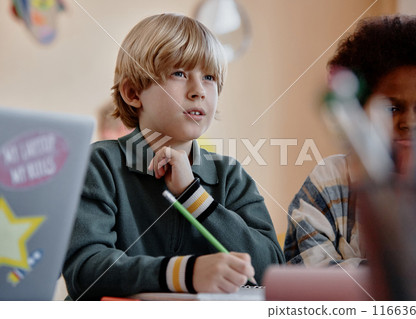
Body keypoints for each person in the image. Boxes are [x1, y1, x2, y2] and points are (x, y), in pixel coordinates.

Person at [63, 13, 284, 300]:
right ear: (133, 92)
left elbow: (272, 271)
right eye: (179, 73)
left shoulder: (231, 175)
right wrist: (185, 273)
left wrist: (195, 197)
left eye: (209, 77)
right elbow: (85, 270)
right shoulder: (100, 164)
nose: (198, 91)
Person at [284, 15, 416, 268]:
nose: (410, 122)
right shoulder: (329, 181)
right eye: (393, 108)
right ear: (362, 109)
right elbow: (308, 273)